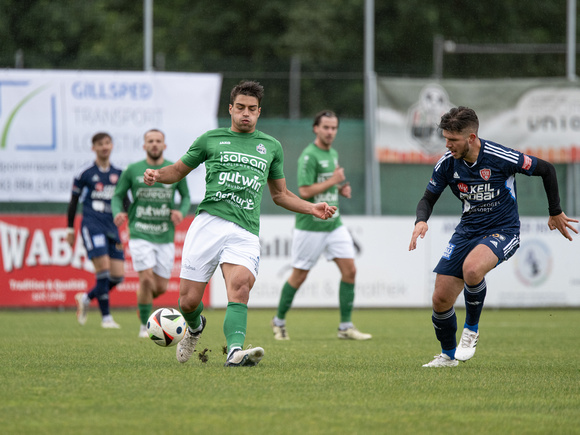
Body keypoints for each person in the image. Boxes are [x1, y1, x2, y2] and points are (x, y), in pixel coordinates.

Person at [143, 81, 336, 367]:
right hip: (208, 224)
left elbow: (280, 194)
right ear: (231, 109)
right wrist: (157, 175)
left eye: (252, 109)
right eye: (241, 108)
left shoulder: (271, 146)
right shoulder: (210, 139)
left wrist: (312, 207)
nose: (246, 113)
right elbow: (178, 170)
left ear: (259, 112)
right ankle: (195, 327)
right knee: (188, 302)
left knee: (241, 286)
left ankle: (234, 351)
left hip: (244, 230)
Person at [408, 106, 578, 367]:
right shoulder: (446, 163)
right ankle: (448, 357)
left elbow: (546, 169)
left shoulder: (500, 156)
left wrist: (555, 211)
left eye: (453, 140)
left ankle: (471, 331)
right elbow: (428, 198)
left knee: (472, 269)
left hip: (503, 230)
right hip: (467, 232)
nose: (447, 144)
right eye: (446, 138)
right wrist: (421, 220)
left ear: (472, 138)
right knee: (440, 298)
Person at [271, 110, 371, 341]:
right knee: (299, 276)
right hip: (310, 226)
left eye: (334, 128)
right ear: (316, 128)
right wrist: (334, 181)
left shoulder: (332, 152)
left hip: (334, 224)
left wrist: (338, 189)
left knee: (350, 271)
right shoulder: (309, 155)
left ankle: (345, 327)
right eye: (326, 127)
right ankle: (278, 321)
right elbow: (304, 191)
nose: (330, 132)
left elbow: (325, 185)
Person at [111, 129, 191, 338]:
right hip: (139, 231)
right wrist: (117, 211)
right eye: (150, 141)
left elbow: (185, 197)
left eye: (158, 141)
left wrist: (180, 212)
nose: (154, 144)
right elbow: (117, 196)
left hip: (164, 235)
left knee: (160, 288)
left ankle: (143, 300)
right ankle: (144, 325)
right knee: (145, 279)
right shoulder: (133, 170)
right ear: (144, 146)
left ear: (164, 145)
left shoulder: (174, 169)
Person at [67, 132, 125, 329]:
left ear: (112, 145)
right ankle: (106, 318)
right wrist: (69, 228)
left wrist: (129, 218)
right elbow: (73, 201)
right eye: (100, 144)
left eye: (107, 143)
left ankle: (86, 297)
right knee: (103, 270)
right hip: (92, 224)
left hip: (112, 226)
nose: (104, 147)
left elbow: (126, 201)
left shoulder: (119, 173)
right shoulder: (85, 173)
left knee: (117, 276)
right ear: (94, 148)